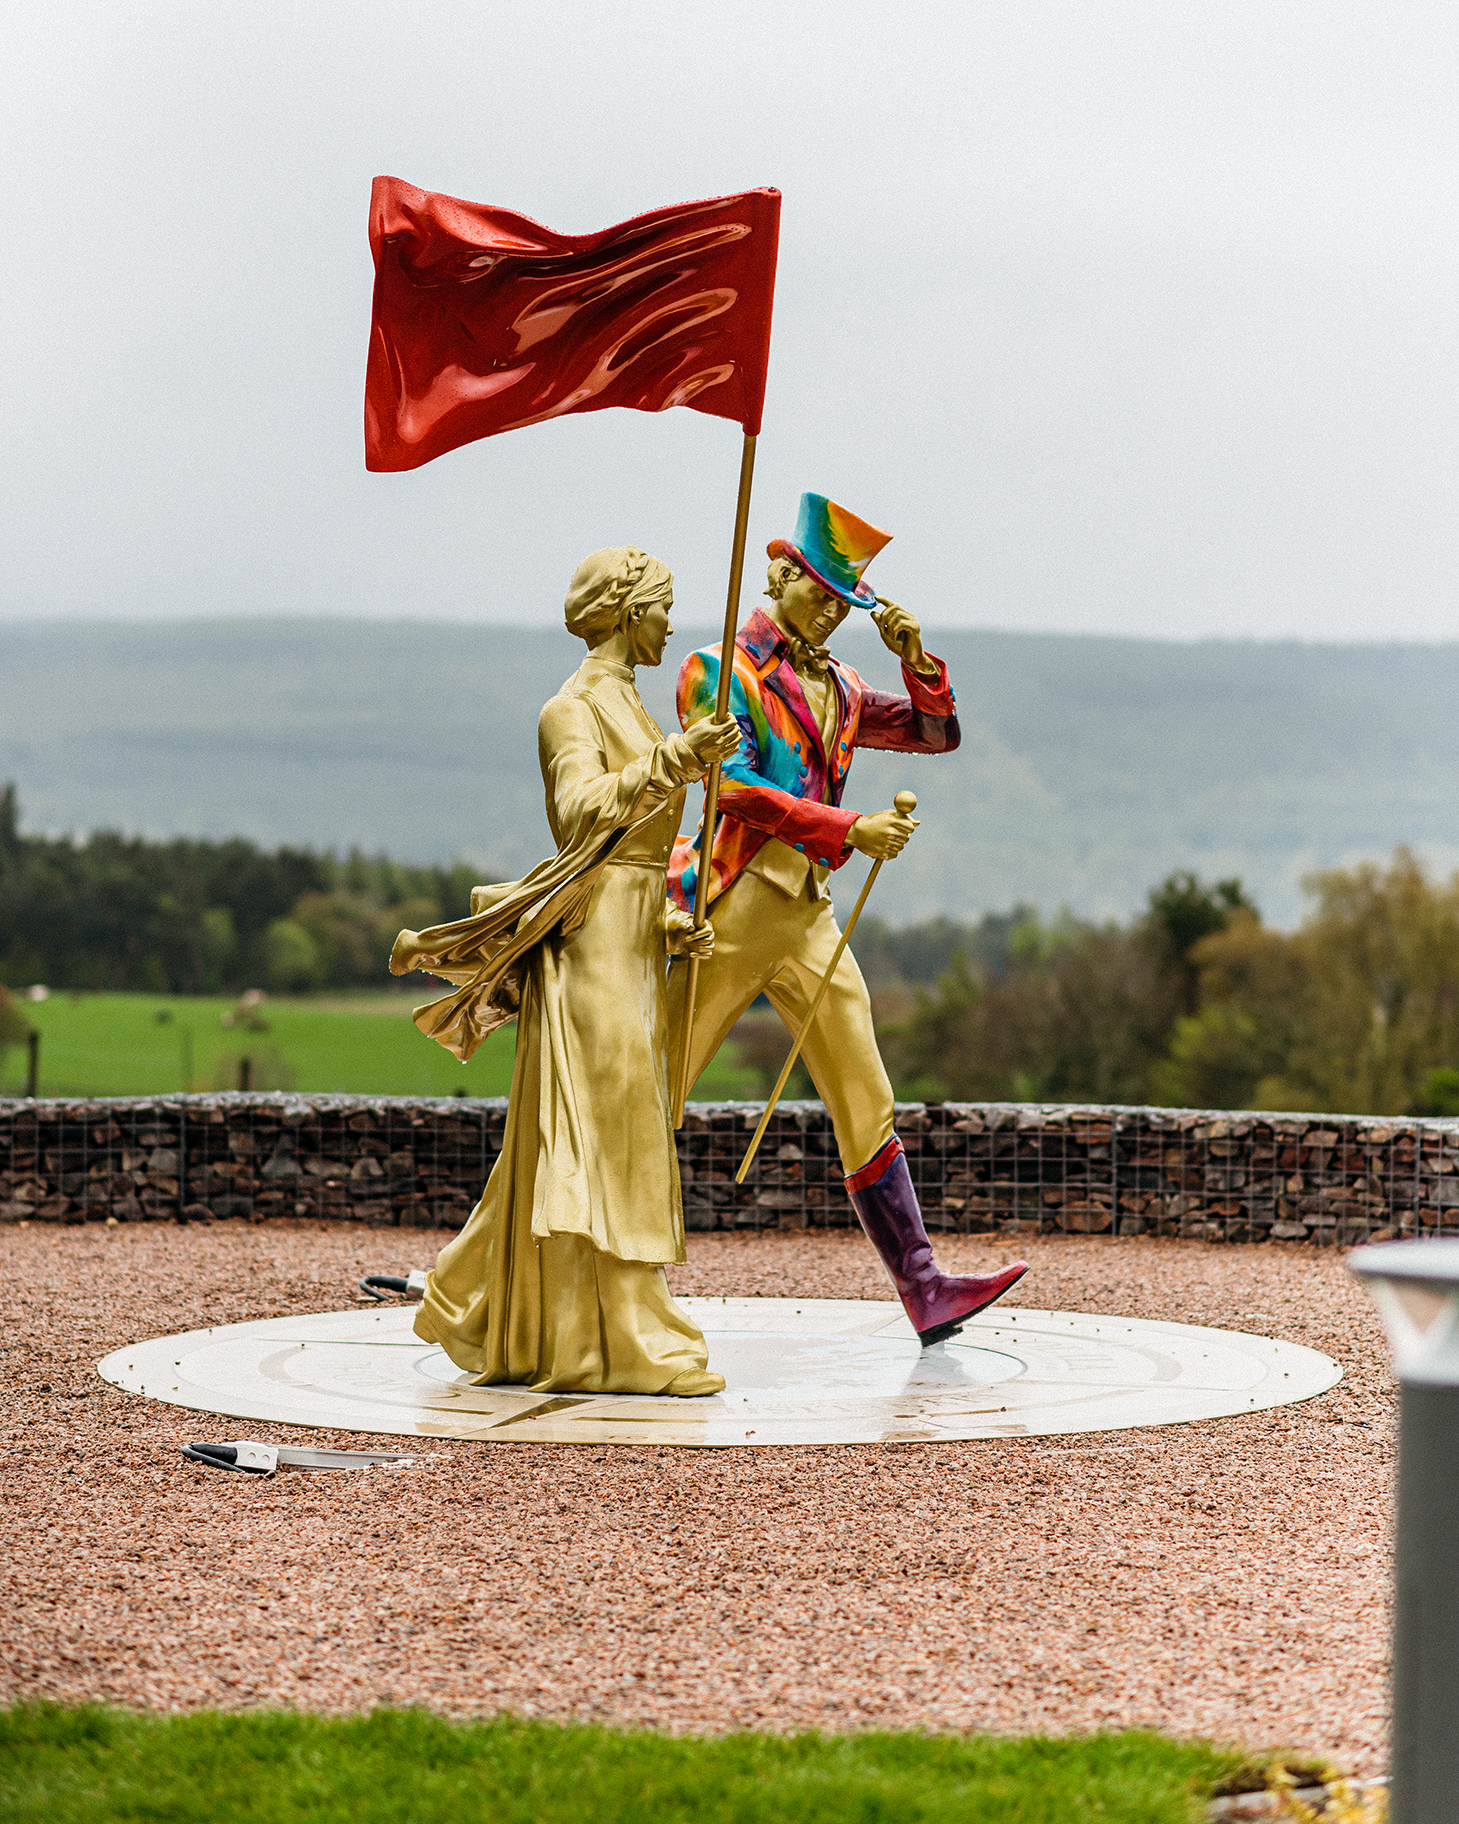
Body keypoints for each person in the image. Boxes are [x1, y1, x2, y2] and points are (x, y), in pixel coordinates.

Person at [669, 494, 1029, 1343]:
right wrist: (848, 829)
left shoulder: (842, 684)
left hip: (805, 917)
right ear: (780, 575)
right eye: (822, 592)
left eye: (846, 602)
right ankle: (569, 1267)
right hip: (725, 907)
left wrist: (915, 660)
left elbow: (935, 737)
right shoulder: (716, 670)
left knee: (866, 1093)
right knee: (652, 1091)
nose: (832, 612)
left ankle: (924, 1285)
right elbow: (733, 788)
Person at [395, 546, 740, 1394]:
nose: (668, 623)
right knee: (607, 1128)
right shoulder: (570, 708)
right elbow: (580, 814)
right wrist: (674, 760)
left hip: (627, 938)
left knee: (614, 1126)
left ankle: (519, 1314)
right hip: (589, 953)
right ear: (624, 611)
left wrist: (661, 924)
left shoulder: (631, 702)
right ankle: (619, 1333)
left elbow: (628, 855)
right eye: (660, 606)